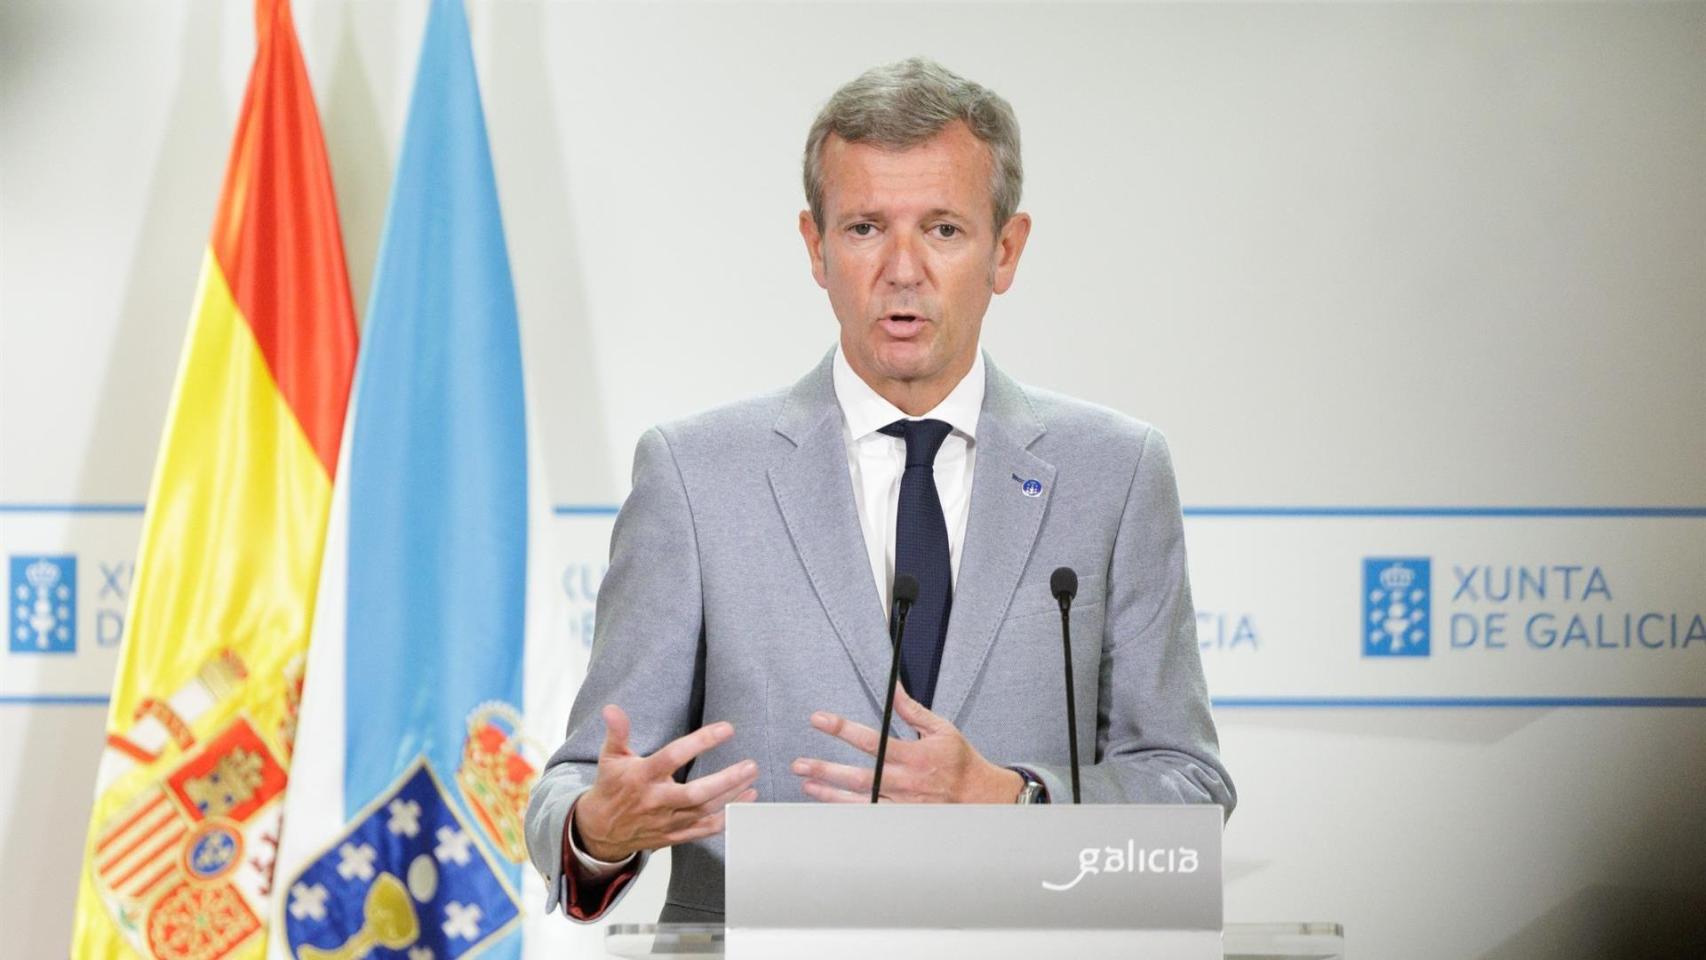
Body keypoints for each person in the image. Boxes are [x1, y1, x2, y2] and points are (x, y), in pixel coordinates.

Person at [525, 57, 1235, 925]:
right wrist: (601, 829)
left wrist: (1016, 802)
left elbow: (1189, 784)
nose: (903, 269)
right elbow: (576, 784)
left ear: (1005, 250)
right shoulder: (695, 476)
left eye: (943, 229)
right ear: (815, 248)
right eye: (864, 228)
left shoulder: (1114, 474)